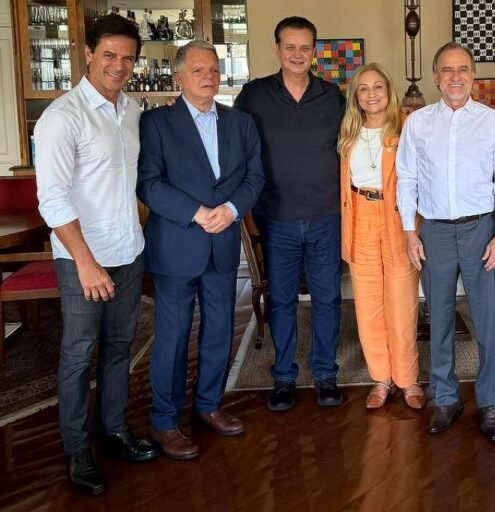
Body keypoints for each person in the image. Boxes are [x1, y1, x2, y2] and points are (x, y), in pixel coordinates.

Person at [34, 14, 160, 496]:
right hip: (81, 258)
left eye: (128, 58)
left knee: (119, 347)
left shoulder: (131, 110)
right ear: (88, 54)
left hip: (128, 250)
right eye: (109, 54)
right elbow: (52, 200)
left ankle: (114, 430)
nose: (119, 65)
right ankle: (77, 449)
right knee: (79, 353)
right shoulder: (62, 117)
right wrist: (86, 263)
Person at [137, 41, 264, 459]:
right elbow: (149, 184)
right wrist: (197, 213)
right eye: (197, 70)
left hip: (223, 242)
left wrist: (230, 210)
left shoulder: (240, 122)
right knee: (173, 336)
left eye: (213, 69)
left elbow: (254, 177)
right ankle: (164, 421)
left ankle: (209, 405)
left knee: (220, 329)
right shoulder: (156, 123)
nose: (208, 76)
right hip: (176, 244)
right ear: (178, 77)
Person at [396, 42, 495, 442]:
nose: (455, 77)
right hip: (434, 231)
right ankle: (445, 398)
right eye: (447, 70)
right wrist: (410, 232)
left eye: (463, 69)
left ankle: (490, 401)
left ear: (473, 75)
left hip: (481, 229)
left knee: (486, 319)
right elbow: (407, 179)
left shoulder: (494, 122)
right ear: (436, 77)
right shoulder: (417, 123)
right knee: (440, 318)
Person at [233, 17, 345, 411]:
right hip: (276, 217)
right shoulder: (253, 95)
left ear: (313, 51)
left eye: (305, 47)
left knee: (327, 298)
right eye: (290, 47)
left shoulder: (333, 96)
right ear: (278, 49)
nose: (297, 54)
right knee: (281, 300)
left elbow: (356, 142)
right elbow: (232, 141)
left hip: (326, 215)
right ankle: (283, 377)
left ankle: (325, 374)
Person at [338, 64, 423, 410]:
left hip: (398, 219)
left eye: (378, 87)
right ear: (355, 96)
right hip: (360, 217)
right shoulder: (347, 134)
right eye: (363, 88)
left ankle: (408, 379)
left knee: (402, 302)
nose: (371, 94)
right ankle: (382, 378)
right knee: (368, 305)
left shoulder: (406, 130)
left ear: (389, 92)